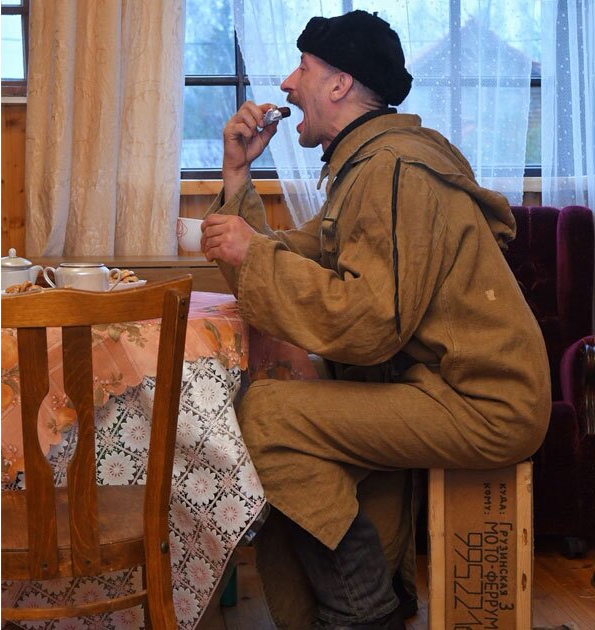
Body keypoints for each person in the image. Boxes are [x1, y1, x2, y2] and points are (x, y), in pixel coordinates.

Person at [200, 11, 549, 629]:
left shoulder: (393, 170)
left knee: (269, 414)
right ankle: (380, 596)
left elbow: (369, 323)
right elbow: (287, 258)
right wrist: (237, 174)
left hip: (485, 401)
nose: (286, 84)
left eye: (302, 68)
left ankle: (363, 613)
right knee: (305, 407)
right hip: (437, 388)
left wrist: (252, 253)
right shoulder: (370, 166)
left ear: (339, 85)